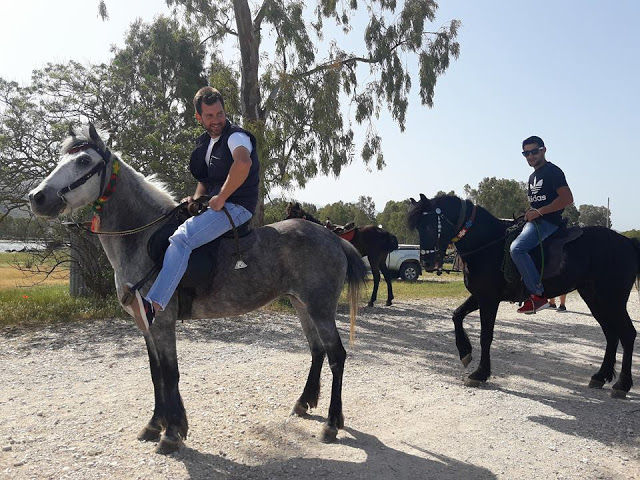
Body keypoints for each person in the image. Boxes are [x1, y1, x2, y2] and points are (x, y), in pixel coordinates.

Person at [129, 86, 260, 332]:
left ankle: (153, 306)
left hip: (237, 207)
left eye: (219, 114)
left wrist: (221, 197)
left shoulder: (236, 137)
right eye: (209, 116)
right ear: (198, 117)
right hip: (216, 206)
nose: (216, 120)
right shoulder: (205, 143)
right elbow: (204, 180)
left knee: (182, 239)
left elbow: (243, 163)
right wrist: (196, 200)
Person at [510, 135, 574, 314]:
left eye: (534, 151)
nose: (530, 156)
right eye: (526, 153)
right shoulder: (532, 177)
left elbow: (567, 198)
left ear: (543, 150)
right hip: (535, 220)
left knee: (517, 249)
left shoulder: (552, 171)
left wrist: (538, 212)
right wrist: (529, 212)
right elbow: (537, 203)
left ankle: (538, 296)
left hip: (548, 222)